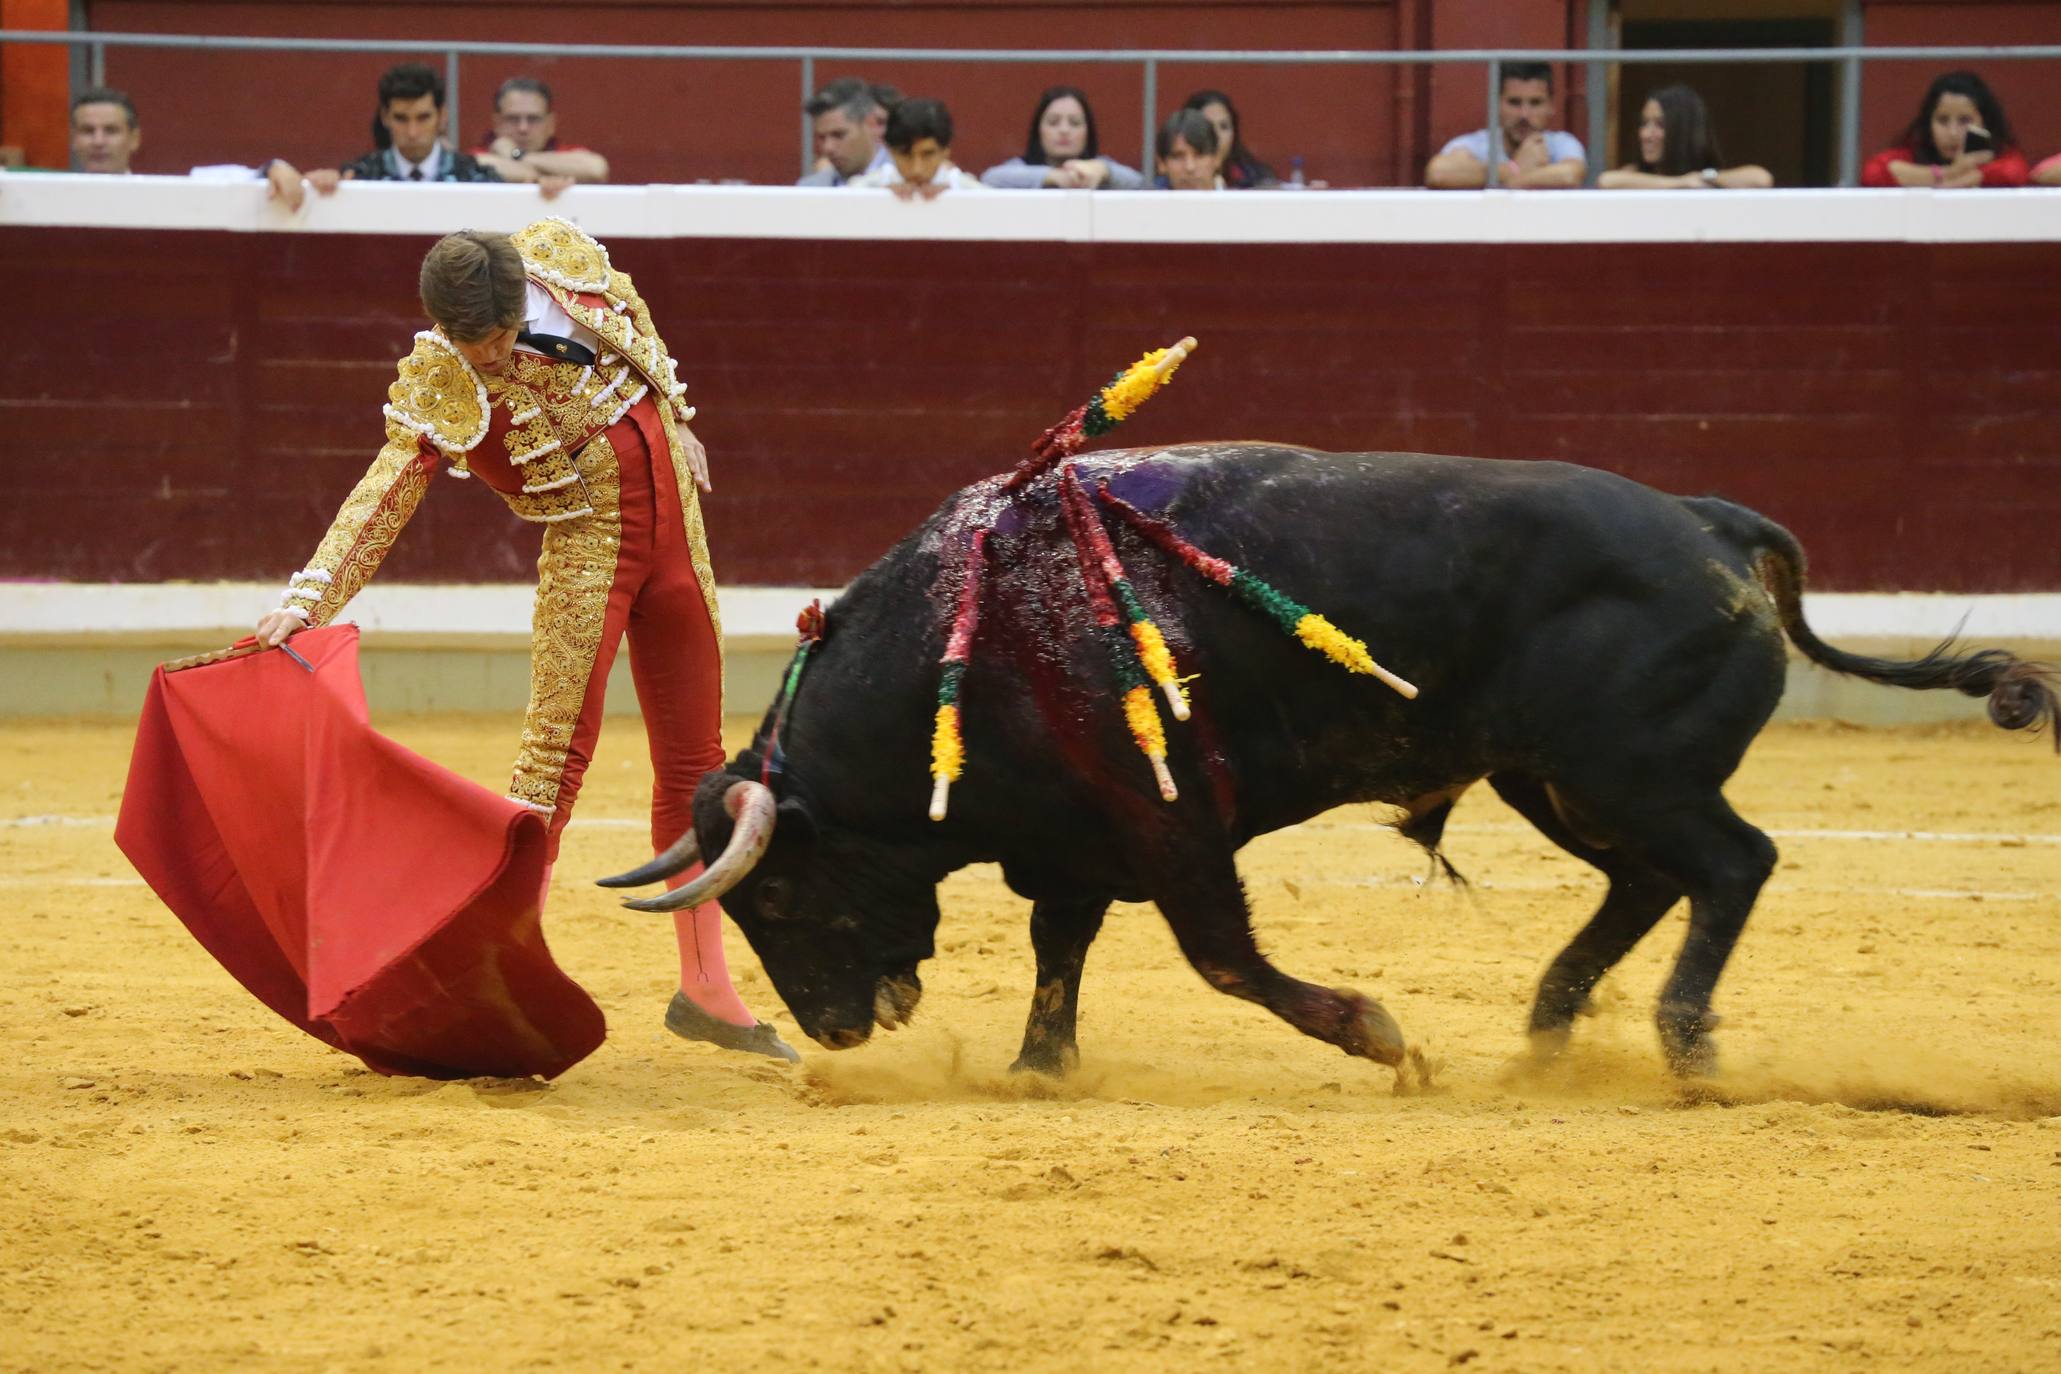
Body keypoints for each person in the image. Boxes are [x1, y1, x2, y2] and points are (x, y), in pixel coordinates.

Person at [251, 220, 798, 1063]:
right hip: (589, 553)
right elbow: (387, 487)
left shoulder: (563, 258)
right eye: (471, 346)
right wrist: (308, 597)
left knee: (696, 765)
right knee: (550, 767)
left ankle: (706, 987)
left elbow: (635, 315)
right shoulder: (444, 373)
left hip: (678, 542)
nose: (490, 361)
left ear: (520, 300)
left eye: (499, 339)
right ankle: (492, 983)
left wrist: (678, 412)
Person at [61, 85, 314, 208]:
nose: (98, 141)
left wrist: (275, 167)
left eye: (111, 130)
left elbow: (250, 175)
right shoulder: (50, 197)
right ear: (74, 139)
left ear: (134, 139)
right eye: (88, 131)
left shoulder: (162, 193)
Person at [324, 63, 502, 185]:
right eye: (401, 118)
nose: (412, 132)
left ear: (442, 116)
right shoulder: (358, 177)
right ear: (385, 117)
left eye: (423, 117)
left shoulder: (476, 177)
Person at [1425, 61, 1585, 189]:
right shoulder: (1477, 144)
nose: (1524, 114)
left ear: (1551, 106)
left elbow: (1569, 175)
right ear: (1496, 104)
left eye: (1535, 103)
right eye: (1514, 102)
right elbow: (1439, 173)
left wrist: (1505, 182)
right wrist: (1514, 168)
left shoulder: (1561, 143)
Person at [1860, 71, 2030, 188]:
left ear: (1984, 123)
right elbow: (1874, 172)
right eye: (1943, 121)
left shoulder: (2001, 156)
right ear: (1929, 124)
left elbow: (2013, 173)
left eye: (1965, 120)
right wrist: (1951, 171)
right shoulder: (1913, 154)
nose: (1953, 133)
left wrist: (1963, 178)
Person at [1597, 84, 1772, 189]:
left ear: (1682, 130)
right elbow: (1607, 181)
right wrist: (1680, 183)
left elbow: (1761, 179)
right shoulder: (1635, 174)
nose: (1645, 134)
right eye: (1644, 124)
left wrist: (1705, 177)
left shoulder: (1707, 176)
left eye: (1660, 125)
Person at [980, 86, 1145, 189]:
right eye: (1053, 122)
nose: (1064, 130)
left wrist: (1103, 170)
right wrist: (1053, 176)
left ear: (1088, 132)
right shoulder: (1021, 167)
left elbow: (1141, 184)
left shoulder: (1099, 169)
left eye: (1074, 123)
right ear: (1039, 130)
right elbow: (990, 179)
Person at [470, 77, 609, 189]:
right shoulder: (477, 155)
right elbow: (476, 164)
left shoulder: (565, 152)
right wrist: (550, 174)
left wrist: (515, 154)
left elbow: (596, 169)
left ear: (551, 124)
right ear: (497, 123)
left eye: (533, 119)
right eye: (512, 119)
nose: (523, 128)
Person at [860, 98, 980, 197]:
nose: (917, 169)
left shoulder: (974, 193)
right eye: (905, 154)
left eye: (928, 154)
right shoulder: (862, 190)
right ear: (891, 151)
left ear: (945, 152)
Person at [797, 76, 892, 186]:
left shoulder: (909, 183)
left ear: (870, 124)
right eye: (821, 138)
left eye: (839, 135)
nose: (828, 147)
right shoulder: (809, 188)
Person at [1182, 89, 1275, 188]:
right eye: (1208, 126)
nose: (1216, 136)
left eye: (1223, 126)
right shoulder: (1173, 179)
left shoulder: (1257, 178)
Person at [1154, 109, 1223, 191]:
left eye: (1199, 155)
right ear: (1161, 163)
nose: (1190, 167)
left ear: (1217, 158)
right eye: (1178, 156)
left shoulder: (1240, 203)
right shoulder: (1143, 204)